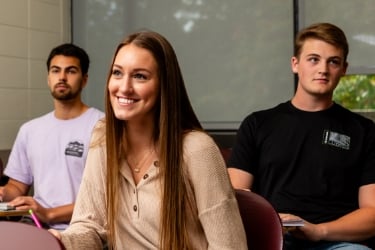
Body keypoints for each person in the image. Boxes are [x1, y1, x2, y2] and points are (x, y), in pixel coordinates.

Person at [49, 30, 247, 249]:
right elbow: (90, 226)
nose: (124, 87)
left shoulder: (197, 149)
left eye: (140, 76)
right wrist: (62, 241)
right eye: (117, 73)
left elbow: (230, 246)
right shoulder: (104, 137)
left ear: (164, 85)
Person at [227, 22, 375, 250]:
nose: (323, 69)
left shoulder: (364, 131)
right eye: (314, 59)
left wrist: (319, 231)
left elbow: (372, 214)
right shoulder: (257, 124)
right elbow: (237, 198)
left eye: (333, 61)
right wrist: (274, 221)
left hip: (336, 243)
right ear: (295, 64)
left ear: (344, 69)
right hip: (274, 238)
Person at [0, 43, 104, 230]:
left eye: (71, 71)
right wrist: (3, 193)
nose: (62, 77)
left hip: (85, 227)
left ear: (85, 80)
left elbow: (106, 197)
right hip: (36, 225)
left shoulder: (102, 126)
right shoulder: (30, 130)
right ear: (48, 78)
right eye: (55, 71)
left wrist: (50, 214)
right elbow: (17, 186)